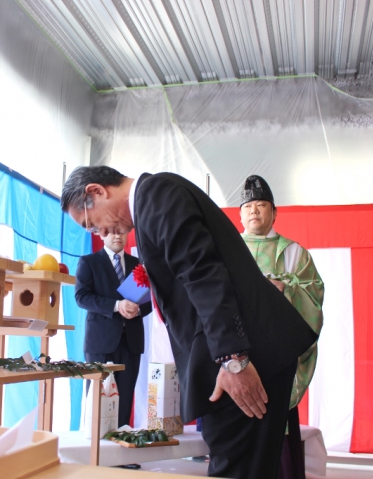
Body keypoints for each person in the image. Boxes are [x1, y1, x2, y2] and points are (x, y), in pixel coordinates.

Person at [61, 166, 318, 479]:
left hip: (244, 359)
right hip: (233, 357)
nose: (101, 234)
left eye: (92, 225)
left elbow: (203, 274)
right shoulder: (151, 204)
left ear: (96, 191)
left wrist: (234, 360)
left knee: (239, 468)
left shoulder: (156, 195)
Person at [238, 175, 324, 479]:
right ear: (240, 214)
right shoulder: (227, 248)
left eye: (261, 205)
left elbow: (314, 296)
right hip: (237, 349)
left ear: (274, 212)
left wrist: (286, 289)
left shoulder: (293, 252)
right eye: (248, 206)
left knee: (276, 425)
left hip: (278, 352)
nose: (254, 210)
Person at [74, 232, 152, 427]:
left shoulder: (138, 264)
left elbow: (150, 301)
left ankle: (121, 443)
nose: (118, 235)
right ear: (101, 234)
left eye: (121, 231)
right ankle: (97, 445)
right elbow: (82, 297)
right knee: (98, 401)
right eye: (111, 231)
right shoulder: (89, 262)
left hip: (131, 342)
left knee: (124, 401)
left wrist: (137, 310)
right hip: (100, 343)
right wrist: (117, 306)